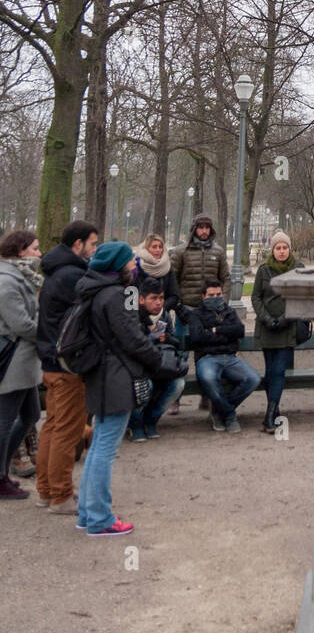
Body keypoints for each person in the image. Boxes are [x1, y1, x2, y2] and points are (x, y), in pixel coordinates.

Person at [75, 242, 181, 535]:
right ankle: (99, 518)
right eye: (131, 262)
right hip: (117, 377)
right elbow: (132, 339)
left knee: (98, 446)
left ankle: (87, 512)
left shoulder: (94, 291)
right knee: (105, 449)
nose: (135, 266)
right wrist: (157, 360)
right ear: (119, 266)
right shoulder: (117, 297)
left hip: (102, 375)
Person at [35, 220, 99, 512]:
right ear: (78, 244)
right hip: (68, 365)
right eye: (93, 243)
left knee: (51, 426)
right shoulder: (73, 276)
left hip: (50, 361)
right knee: (68, 430)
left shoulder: (56, 271)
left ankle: (47, 490)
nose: (94, 249)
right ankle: (60, 495)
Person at [252, 230, 314, 433]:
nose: (281, 251)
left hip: (288, 328)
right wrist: (267, 318)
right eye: (278, 248)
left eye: (285, 247)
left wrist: (283, 319)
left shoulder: (298, 269)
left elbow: (302, 298)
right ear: (273, 250)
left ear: (290, 249)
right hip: (266, 328)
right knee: (271, 372)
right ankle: (274, 411)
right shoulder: (264, 270)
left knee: (279, 371)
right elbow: (256, 297)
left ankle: (269, 416)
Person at [0, 229, 42, 501]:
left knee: (31, 415)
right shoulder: (6, 281)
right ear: (21, 250)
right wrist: (50, 332)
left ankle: (3, 472)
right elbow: (21, 324)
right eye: (35, 248)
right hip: (12, 362)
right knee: (3, 423)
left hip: (25, 362)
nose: (39, 253)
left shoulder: (21, 276)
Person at [185, 282, 260, 432]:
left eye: (218, 294)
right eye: (211, 295)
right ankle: (230, 415)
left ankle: (219, 412)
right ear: (203, 296)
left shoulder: (229, 311)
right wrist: (226, 334)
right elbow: (197, 338)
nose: (216, 297)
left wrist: (214, 330)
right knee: (209, 379)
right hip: (207, 359)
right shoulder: (195, 314)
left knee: (253, 379)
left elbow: (239, 330)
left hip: (230, 358)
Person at [126, 283, 186, 442]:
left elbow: (176, 342)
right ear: (141, 299)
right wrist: (148, 338)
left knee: (178, 384)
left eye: (161, 298)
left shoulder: (164, 315)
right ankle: (135, 423)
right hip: (140, 369)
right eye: (153, 298)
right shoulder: (133, 316)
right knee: (145, 386)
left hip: (162, 366)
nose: (158, 302)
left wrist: (166, 338)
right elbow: (130, 346)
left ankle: (151, 420)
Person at [170, 215, 231, 309]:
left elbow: (226, 278)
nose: (204, 231)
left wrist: (223, 302)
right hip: (186, 308)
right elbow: (172, 279)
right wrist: (177, 305)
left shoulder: (219, 252)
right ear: (194, 229)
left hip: (212, 308)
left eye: (207, 228)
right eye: (201, 227)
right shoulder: (180, 251)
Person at [131, 234, 181, 314]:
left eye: (160, 247)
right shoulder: (136, 267)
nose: (158, 250)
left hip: (161, 315)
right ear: (146, 249)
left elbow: (174, 295)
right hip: (139, 316)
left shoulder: (167, 267)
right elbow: (131, 296)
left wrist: (159, 309)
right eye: (154, 247)